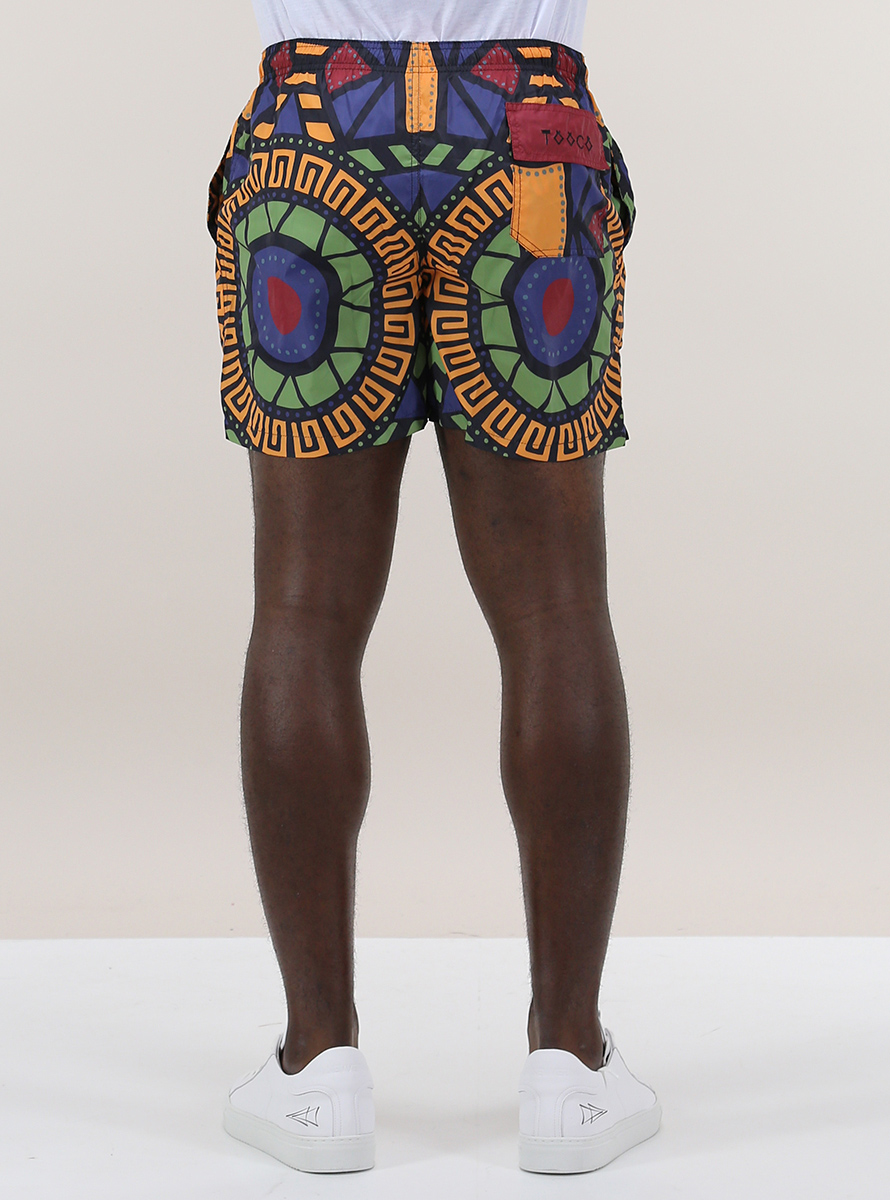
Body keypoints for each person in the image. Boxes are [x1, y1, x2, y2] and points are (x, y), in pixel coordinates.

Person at [206, 0, 661, 1176]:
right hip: (527, 139)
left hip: (312, 136)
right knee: (557, 608)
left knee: (301, 610)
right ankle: (568, 1063)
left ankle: (318, 1065)